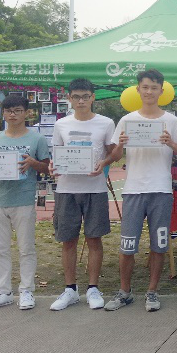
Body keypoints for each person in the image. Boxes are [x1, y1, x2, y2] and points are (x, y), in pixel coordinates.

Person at [104, 69, 177, 312]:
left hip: (161, 190)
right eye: (145, 87)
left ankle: (152, 292)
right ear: (138, 89)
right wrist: (120, 145)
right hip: (133, 190)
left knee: (159, 244)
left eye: (154, 87)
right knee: (127, 245)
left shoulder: (171, 121)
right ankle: (125, 291)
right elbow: (115, 156)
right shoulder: (127, 120)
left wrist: (170, 143)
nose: (149, 91)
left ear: (161, 90)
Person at [0, 94, 50, 312]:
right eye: (9, 111)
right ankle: (3, 292)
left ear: (26, 113)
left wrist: (33, 163)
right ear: (3, 114)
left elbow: (47, 167)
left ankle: (26, 290)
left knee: (26, 248)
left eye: (18, 110)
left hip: (23, 199)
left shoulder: (37, 139)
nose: (13, 115)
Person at [49, 78, 116, 311]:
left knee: (94, 238)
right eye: (76, 97)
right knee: (68, 240)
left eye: (85, 96)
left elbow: (114, 153)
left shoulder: (106, 123)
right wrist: (53, 166)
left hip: (95, 188)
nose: (81, 101)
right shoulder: (61, 124)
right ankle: (70, 289)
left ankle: (93, 288)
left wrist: (103, 163)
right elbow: (56, 155)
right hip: (66, 189)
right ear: (69, 98)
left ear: (93, 97)